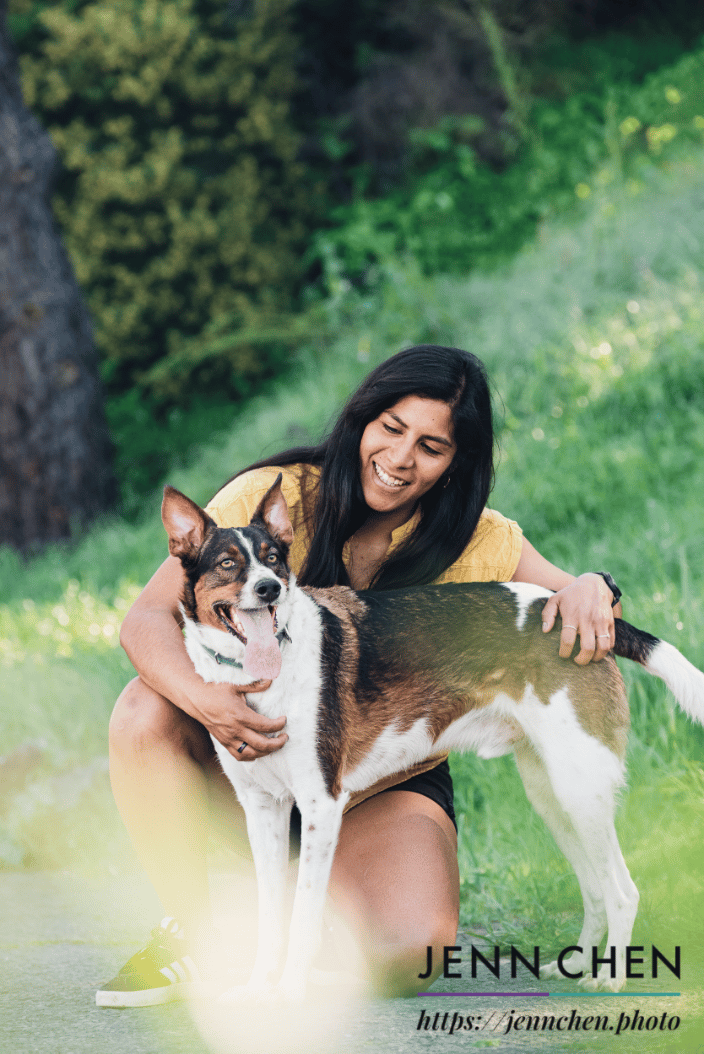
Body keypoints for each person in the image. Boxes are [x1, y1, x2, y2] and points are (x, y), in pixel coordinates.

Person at [99, 344, 623, 1005]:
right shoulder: (275, 496)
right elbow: (145, 620)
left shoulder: (479, 538)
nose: (401, 458)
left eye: (431, 447)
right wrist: (206, 701)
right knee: (142, 711)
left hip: (380, 778)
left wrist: (597, 584)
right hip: (245, 748)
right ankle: (195, 933)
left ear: (456, 462)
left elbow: (580, 609)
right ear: (362, 420)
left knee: (409, 953)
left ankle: (284, 914)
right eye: (392, 428)